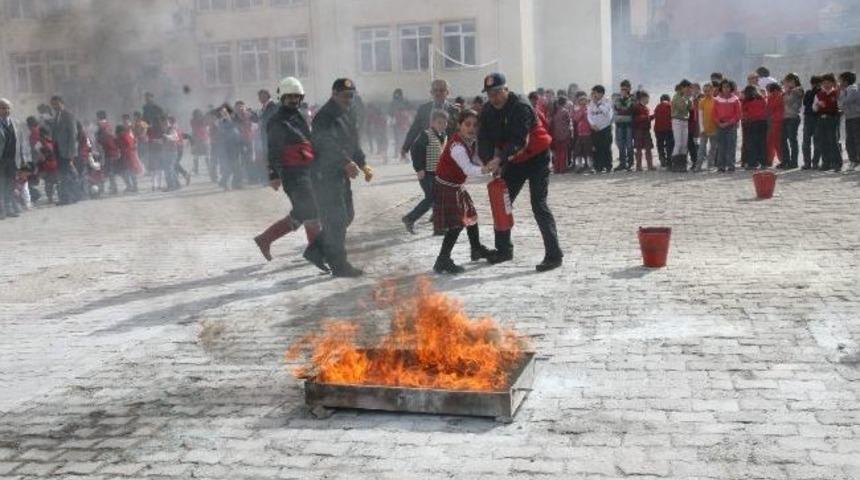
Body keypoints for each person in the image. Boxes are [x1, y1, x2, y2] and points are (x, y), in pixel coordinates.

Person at [477, 73, 563, 272]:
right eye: (490, 93)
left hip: (536, 157)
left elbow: (519, 141)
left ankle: (554, 254)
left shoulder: (521, 106)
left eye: (498, 92)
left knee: (538, 204)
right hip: (514, 161)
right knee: (502, 202)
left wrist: (499, 160)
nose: (494, 98)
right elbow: (484, 139)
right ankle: (504, 250)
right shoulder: (488, 110)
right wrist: (488, 160)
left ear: (506, 90)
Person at [254, 77, 328, 272]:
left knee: (304, 211)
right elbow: (273, 149)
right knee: (311, 210)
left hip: (308, 170)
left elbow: (309, 141)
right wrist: (273, 174)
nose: (294, 100)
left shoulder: (299, 115)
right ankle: (317, 253)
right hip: (291, 173)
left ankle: (265, 238)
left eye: (297, 96)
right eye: (290, 97)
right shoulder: (276, 121)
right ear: (282, 97)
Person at [311, 78, 374, 278]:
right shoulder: (324, 116)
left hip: (340, 174)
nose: (349, 99)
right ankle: (339, 265)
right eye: (346, 96)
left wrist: (362, 163)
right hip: (325, 175)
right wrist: (345, 162)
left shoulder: (347, 113)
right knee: (336, 220)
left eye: (352, 96)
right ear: (334, 94)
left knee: (347, 215)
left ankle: (315, 251)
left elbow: (353, 142)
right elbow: (325, 144)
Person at [432, 109, 500, 274]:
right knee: (456, 225)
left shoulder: (469, 141)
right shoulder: (457, 147)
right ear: (459, 125)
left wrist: (489, 165)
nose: (471, 128)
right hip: (446, 186)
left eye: (475, 125)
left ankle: (476, 249)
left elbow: (475, 159)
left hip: (455, 185)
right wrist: (486, 170)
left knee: (471, 216)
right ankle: (442, 259)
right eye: (467, 124)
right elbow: (468, 168)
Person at [402, 109, 449, 234]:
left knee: (438, 198)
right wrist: (419, 168)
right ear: (432, 123)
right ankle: (410, 218)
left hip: (437, 173)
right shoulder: (426, 135)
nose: (442, 125)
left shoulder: (444, 136)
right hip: (426, 173)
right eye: (439, 123)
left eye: (445, 123)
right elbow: (415, 150)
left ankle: (438, 227)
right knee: (431, 198)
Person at [400, 79, 460, 158]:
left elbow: (459, 133)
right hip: (427, 152)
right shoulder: (423, 109)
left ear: (447, 93)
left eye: (441, 90)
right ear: (431, 92)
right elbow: (414, 129)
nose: (438, 93)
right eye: (435, 90)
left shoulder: (454, 111)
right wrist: (405, 148)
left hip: (448, 153)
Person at [0, 98, 27, 219]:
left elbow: (22, 144)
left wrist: (23, 160)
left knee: (10, 185)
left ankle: (9, 207)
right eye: (3, 108)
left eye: (7, 108)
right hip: (1, 160)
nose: (6, 110)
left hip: (12, 160)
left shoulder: (16, 123)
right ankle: (1, 210)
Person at [49, 96, 78, 204]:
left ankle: (68, 197)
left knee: (66, 175)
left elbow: (73, 135)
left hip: (66, 151)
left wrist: (71, 152)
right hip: (58, 150)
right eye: (53, 104)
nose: (54, 106)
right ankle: (67, 196)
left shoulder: (68, 116)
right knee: (63, 174)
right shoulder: (55, 117)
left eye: (56, 104)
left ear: (62, 103)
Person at [814, 73, 842, 172]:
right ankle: (826, 163)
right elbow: (814, 108)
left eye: (828, 82)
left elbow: (840, 106)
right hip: (821, 119)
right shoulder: (819, 94)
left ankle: (837, 164)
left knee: (833, 141)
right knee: (822, 142)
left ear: (832, 83)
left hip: (832, 119)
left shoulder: (836, 93)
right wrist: (818, 105)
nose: (826, 85)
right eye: (824, 83)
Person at [713, 79, 742, 172]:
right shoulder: (717, 99)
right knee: (721, 146)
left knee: (731, 146)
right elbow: (714, 113)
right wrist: (719, 123)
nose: (726, 89)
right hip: (720, 125)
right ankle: (721, 166)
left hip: (731, 125)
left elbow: (738, 114)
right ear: (721, 88)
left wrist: (729, 123)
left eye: (728, 87)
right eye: (724, 87)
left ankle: (731, 166)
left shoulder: (735, 99)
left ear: (731, 88)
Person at [95, 111, 123, 194]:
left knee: (106, 170)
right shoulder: (109, 125)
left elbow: (100, 139)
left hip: (106, 151)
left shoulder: (101, 125)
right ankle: (112, 186)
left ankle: (110, 187)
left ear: (99, 117)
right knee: (110, 170)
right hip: (112, 149)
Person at [588, 85, 614, 174]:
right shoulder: (591, 103)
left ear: (601, 93)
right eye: (593, 93)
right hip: (595, 129)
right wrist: (592, 124)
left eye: (595, 93)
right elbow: (589, 115)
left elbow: (606, 112)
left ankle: (608, 166)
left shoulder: (607, 101)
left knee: (606, 147)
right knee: (597, 148)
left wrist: (598, 104)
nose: (594, 95)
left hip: (605, 128)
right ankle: (598, 167)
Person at [741, 85, 768, 170]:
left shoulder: (746, 101)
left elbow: (744, 112)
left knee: (751, 144)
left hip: (751, 123)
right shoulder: (762, 99)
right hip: (763, 123)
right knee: (762, 143)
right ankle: (763, 162)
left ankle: (752, 163)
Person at [780, 73, 804, 170]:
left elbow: (789, 101)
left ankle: (793, 162)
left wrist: (787, 90)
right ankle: (785, 160)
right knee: (783, 140)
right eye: (786, 81)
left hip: (793, 117)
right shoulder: (787, 91)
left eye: (789, 81)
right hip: (785, 117)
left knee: (792, 140)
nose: (787, 83)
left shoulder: (797, 90)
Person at [838, 71, 859, 170]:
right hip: (849, 117)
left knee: (856, 139)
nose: (839, 82)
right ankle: (853, 160)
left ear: (846, 81)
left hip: (856, 117)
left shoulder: (853, 89)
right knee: (849, 140)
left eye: (841, 80)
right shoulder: (845, 90)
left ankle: (856, 160)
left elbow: (846, 101)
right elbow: (841, 103)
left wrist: (841, 96)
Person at [670, 80, 692, 172]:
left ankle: (682, 165)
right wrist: (687, 98)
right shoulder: (677, 96)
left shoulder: (685, 97)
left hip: (685, 121)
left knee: (684, 144)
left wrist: (688, 99)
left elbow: (690, 108)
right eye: (687, 88)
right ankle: (675, 164)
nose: (688, 90)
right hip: (677, 120)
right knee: (678, 143)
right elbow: (682, 107)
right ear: (682, 87)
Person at [613, 79, 635, 171]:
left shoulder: (633, 98)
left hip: (629, 124)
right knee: (620, 144)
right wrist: (622, 107)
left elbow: (629, 109)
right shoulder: (617, 97)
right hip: (619, 124)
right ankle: (622, 163)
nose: (624, 90)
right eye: (622, 89)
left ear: (629, 88)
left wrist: (624, 102)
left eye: (626, 89)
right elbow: (617, 108)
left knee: (629, 144)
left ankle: (630, 163)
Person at [694, 83, 717, 171]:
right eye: (705, 91)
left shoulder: (716, 101)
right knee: (702, 148)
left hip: (714, 128)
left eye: (708, 91)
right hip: (704, 129)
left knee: (713, 148)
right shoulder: (701, 102)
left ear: (712, 90)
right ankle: (698, 165)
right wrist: (702, 129)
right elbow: (700, 116)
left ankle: (710, 165)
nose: (707, 93)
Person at [802, 76, 822, 170]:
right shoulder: (809, 92)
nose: (815, 85)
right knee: (806, 142)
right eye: (814, 83)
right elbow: (805, 102)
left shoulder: (822, 93)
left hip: (817, 118)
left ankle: (815, 163)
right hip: (809, 117)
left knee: (817, 141)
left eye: (817, 83)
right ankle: (807, 162)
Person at [549, 95, 573, 174]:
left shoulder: (554, 111)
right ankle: (562, 168)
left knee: (557, 153)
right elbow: (568, 122)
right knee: (563, 152)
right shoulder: (565, 111)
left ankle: (556, 169)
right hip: (564, 135)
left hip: (555, 135)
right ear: (565, 103)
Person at [632, 90, 655, 171]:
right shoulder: (636, 107)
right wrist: (648, 117)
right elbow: (636, 119)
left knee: (648, 148)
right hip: (639, 130)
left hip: (646, 130)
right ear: (643, 98)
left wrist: (653, 116)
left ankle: (650, 165)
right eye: (647, 98)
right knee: (639, 149)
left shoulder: (646, 108)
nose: (648, 100)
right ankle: (639, 166)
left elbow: (646, 118)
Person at [116, 124, 142, 192]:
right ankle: (131, 186)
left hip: (128, 156)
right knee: (126, 172)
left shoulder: (124, 136)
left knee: (130, 171)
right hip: (127, 156)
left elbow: (130, 145)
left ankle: (133, 186)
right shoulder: (125, 136)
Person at [570, 92, 592, 173]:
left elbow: (591, 120)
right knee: (578, 150)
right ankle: (579, 165)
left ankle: (589, 165)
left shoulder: (589, 110)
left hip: (588, 133)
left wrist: (585, 112)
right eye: (581, 103)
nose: (583, 105)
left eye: (584, 103)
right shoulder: (578, 110)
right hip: (580, 133)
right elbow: (576, 119)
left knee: (588, 150)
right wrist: (581, 111)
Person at [765, 83, 785, 168]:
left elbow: (771, 108)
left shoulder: (780, 97)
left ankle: (781, 160)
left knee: (777, 142)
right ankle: (771, 160)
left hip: (777, 121)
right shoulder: (774, 97)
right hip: (773, 121)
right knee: (771, 142)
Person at [653, 94, 674, 167]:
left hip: (658, 129)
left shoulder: (658, 106)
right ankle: (669, 160)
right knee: (669, 145)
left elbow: (655, 115)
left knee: (660, 144)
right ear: (669, 99)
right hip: (668, 128)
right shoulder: (670, 106)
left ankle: (662, 157)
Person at [190, 109, 211, 178]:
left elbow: (207, 123)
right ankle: (205, 170)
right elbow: (203, 123)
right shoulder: (194, 121)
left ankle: (207, 169)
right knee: (199, 156)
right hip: (200, 140)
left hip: (201, 140)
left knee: (202, 156)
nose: (197, 116)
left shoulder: (195, 121)